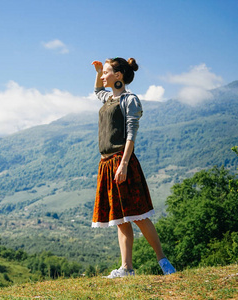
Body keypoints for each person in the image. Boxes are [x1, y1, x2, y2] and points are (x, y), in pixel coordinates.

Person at [90, 57, 176, 278]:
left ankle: (163, 261)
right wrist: (98, 71)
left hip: (122, 160)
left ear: (118, 76)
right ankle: (126, 268)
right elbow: (97, 91)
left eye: (106, 72)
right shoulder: (109, 98)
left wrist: (124, 164)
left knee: (137, 215)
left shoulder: (130, 100)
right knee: (120, 218)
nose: (103, 76)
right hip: (107, 163)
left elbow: (131, 134)